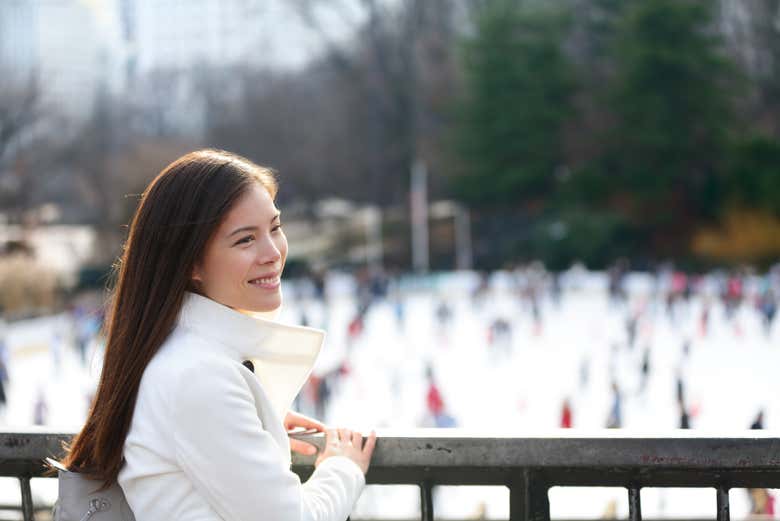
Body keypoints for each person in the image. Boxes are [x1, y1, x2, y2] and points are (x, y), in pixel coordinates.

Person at [61, 149, 376, 521]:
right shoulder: (200, 376)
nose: (273, 252)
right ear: (191, 263)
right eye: (245, 240)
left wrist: (255, 424)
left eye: (275, 228)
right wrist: (342, 468)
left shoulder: (180, 355)